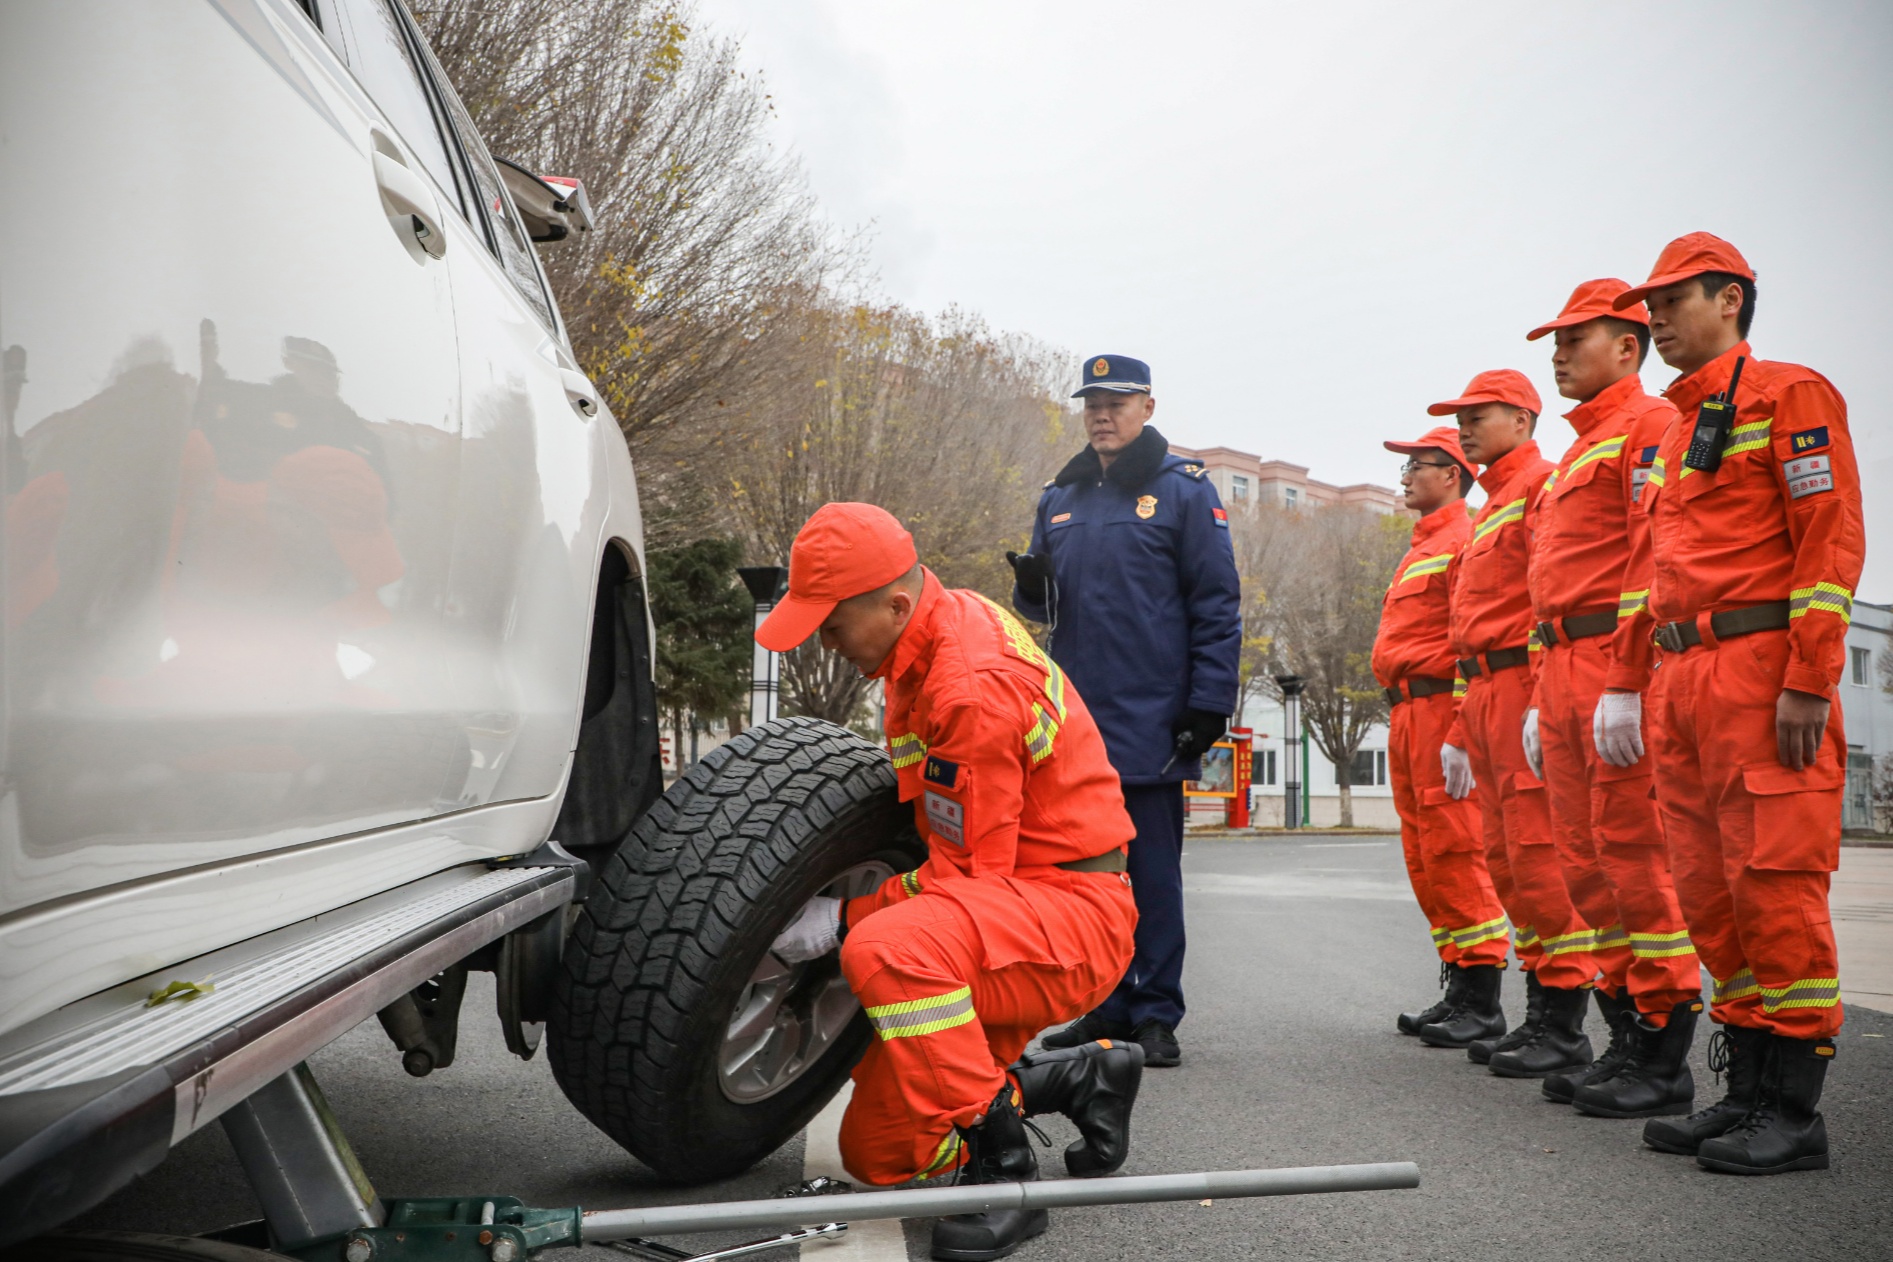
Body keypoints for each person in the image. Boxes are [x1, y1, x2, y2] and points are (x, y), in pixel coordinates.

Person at [760, 501, 1145, 1259]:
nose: (825, 644)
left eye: (831, 626)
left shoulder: (966, 685)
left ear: (895, 603)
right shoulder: (931, 633)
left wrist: (840, 920)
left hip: (1067, 914)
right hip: (1014, 906)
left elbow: (967, 877)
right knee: (879, 1157)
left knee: (887, 953)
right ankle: (1075, 1079)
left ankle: (1002, 1170)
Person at [1606, 233, 1862, 1174]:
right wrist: (1631, 681)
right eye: (1651, 306)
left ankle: (1793, 1112)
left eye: (1671, 302)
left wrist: (1808, 676)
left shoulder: (1788, 393)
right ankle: (1745, 1090)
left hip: (1757, 672)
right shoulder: (1677, 429)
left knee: (1775, 884)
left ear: (1729, 298)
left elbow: (1828, 540)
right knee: (1712, 897)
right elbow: (1651, 571)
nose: (1656, 320)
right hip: (1682, 681)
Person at [1008, 353, 1242, 1068]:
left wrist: (1207, 704)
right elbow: (1042, 614)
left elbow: (1216, 605)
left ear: (1146, 405)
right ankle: (1104, 1006)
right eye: (1090, 403)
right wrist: (1029, 588)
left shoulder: (1182, 491)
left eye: (1114, 402)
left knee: (1149, 871)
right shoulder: (1061, 495)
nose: (1099, 414)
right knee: (1086, 875)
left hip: (1153, 717)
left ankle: (1153, 1012)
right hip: (1075, 722)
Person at [1517, 280, 1703, 1103]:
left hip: (1607, 663)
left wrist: (1625, 680)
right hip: (1560, 669)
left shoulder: (1648, 427)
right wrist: (1534, 687)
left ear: (1626, 347)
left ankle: (1661, 1054)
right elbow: (1544, 584)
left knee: (1633, 856)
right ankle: (1624, 1033)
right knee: (1584, 862)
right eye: (1553, 344)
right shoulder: (1572, 459)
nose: (1557, 355)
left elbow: (1646, 562)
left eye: (1572, 340)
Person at [1420, 369, 1599, 1065]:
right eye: (1458, 416)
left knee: (1540, 859)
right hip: (1487, 694)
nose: (1463, 426)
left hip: (1524, 686)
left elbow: (1541, 600)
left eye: (1478, 414)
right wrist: (1465, 725)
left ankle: (1563, 1022)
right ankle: (1540, 1013)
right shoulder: (1494, 503)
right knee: (1504, 862)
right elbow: (1472, 627)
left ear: (1522, 422)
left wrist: (1537, 698)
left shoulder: (1538, 487)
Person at [1374, 426, 1510, 1035]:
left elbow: (1467, 644)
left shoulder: (1463, 539)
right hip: (1407, 714)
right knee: (1425, 854)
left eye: (1416, 466)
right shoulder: (1419, 546)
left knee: (1457, 848)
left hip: (1438, 712)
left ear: (1451, 473)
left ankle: (1481, 1000)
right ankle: (1458, 985)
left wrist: (1461, 727)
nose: (1404, 477)